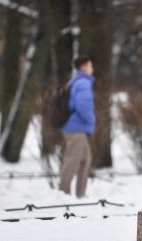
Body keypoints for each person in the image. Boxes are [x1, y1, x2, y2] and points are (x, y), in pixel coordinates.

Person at [59, 56, 95, 198]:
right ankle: (63, 194)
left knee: (85, 159)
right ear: (83, 67)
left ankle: (81, 193)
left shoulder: (76, 81)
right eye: (90, 66)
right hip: (76, 128)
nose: (92, 69)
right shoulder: (83, 83)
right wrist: (92, 120)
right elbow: (83, 106)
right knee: (72, 161)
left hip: (77, 128)